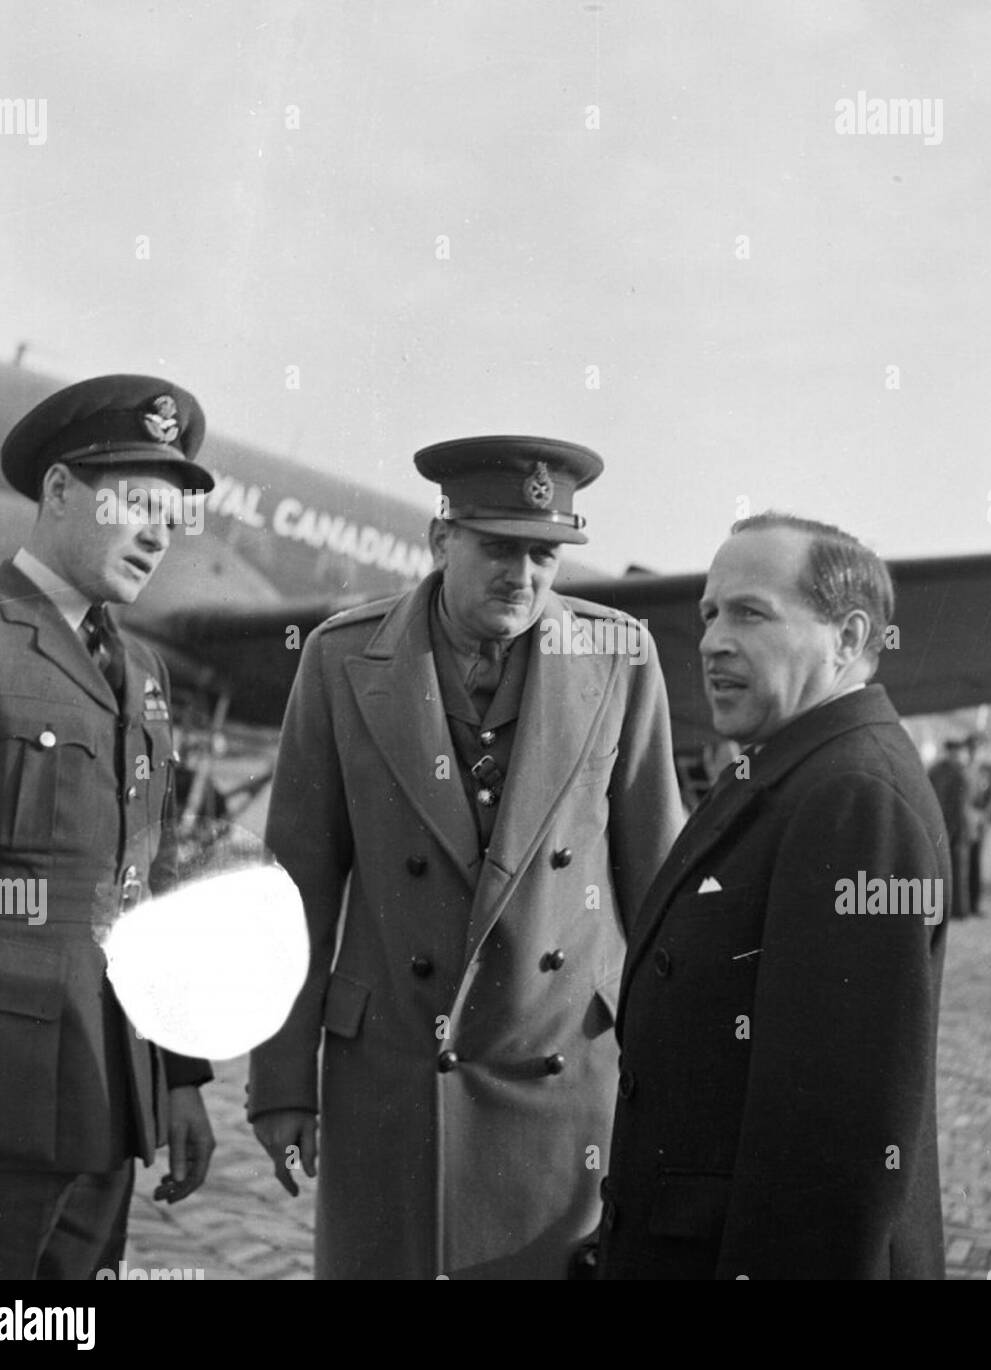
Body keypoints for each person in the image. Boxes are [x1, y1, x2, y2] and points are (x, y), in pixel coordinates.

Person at [248, 436, 683, 1279]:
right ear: (441, 539)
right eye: (497, 548)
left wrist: (672, 1093)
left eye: (543, 554)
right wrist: (281, 1083)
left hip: (558, 1082)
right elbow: (294, 891)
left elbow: (662, 892)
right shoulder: (342, 661)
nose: (521, 576)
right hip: (394, 1080)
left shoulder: (619, 659)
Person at [598, 513, 948, 1280]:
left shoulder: (855, 800)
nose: (713, 640)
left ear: (849, 639)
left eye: (751, 613)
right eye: (709, 614)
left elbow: (833, 1148)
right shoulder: (792, 772)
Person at [0, 376, 216, 1279]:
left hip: (110, 1118)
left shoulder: (140, 673)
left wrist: (177, 1079)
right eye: (136, 502)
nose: (158, 533)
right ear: (59, 490)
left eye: (172, 518)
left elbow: (155, 888)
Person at [928, 738, 972, 920]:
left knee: (955, 869)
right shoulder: (944, 772)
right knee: (951, 869)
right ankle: (954, 908)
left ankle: (958, 909)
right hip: (947, 825)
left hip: (953, 827)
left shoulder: (945, 772)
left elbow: (959, 806)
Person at [964, 731, 991, 917]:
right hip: (963, 822)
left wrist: (985, 816)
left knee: (975, 863)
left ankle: (974, 903)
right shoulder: (961, 771)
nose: (974, 752)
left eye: (977, 749)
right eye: (971, 749)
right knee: (960, 863)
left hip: (978, 823)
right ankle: (959, 904)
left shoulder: (987, 773)